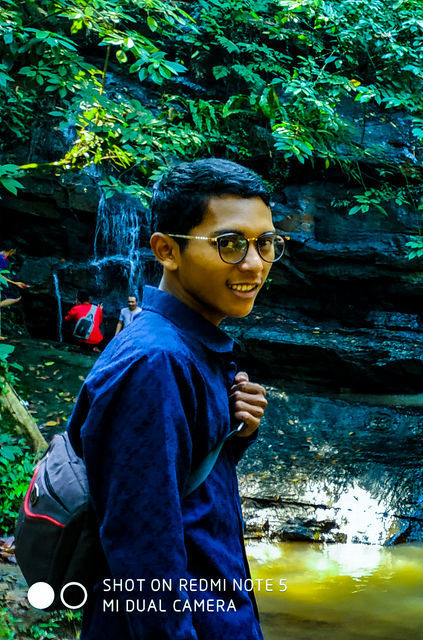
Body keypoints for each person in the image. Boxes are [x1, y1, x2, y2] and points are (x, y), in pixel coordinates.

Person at [68, 158, 284, 640]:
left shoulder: (186, 348)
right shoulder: (156, 363)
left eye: (265, 243)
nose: (253, 263)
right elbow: (142, 552)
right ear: (167, 250)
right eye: (229, 244)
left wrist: (232, 434)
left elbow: (179, 491)